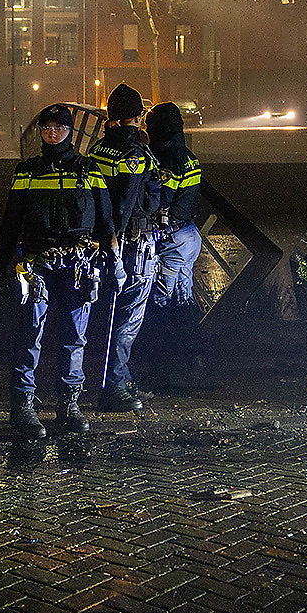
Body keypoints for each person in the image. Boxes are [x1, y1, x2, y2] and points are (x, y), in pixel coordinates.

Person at [0, 103, 111, 438]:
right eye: (46, 128)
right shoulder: (27, 171)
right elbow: (10, 221)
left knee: (74, 336)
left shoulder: (89, 170)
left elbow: (106, 220)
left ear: (70, 132)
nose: (52, 133)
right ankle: (22, 406)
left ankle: (69, 404)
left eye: (58, 128)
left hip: (78, 264)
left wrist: (112, 261)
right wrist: (0, 264)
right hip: (38, 263)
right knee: (30, 333)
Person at [91, 83, 161, 411]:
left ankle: (107, 378)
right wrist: (116, 243)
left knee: (104, 314)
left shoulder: (97, 150)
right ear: (137, 117)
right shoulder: (134, 154)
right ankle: (115, 387)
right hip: (132, 245)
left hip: (101, 243)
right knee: (128, 317)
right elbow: (127, 201)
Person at [140, 101, 204, 393]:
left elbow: (158, 201)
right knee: (185, 301)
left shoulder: (166, 161)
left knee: (161, 304)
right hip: (188, 236)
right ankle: (196, 366)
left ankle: (163, 372)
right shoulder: (189, 156)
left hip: (170, 241)